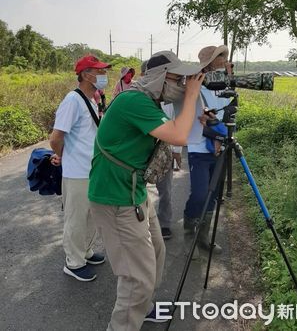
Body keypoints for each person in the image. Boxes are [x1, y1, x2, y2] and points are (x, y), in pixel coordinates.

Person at [88, 50, 203, 331]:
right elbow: (178, 135)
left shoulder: (148, 101)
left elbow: (177, 129)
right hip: (116, 198)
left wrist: (195, 104)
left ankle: (143, 306)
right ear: (161, 78)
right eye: (179, 79)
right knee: (136, 276)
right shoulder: (133, 100)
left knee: (156, 252)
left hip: (134, 193)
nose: (184, 84)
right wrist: (191, 97)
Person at [49, 55, 111, 282]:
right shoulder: (72, 100)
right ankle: (73, 262)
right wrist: (63, 157)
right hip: (77, 172)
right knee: (75, 219)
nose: (104, 75)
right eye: (100, 71)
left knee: (91, 216)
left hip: (92, 169)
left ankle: (85, 251)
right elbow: (56, 138)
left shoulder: (92, 100)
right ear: (86, 74)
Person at [183, 45, 230, 259]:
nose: (225, 61)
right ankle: (189, 230)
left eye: (224, 57)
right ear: (209, 63)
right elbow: (192, 120)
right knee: (200, 193)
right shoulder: (196, 87)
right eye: (221, 58)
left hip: (218, 150)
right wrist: (211, 123)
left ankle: (203, 237)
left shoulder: (224, 87)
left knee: (213, 196)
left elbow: (229, 114)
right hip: (198, 149)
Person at [140, 60, 181, 240]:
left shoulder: (169, 98)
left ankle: (164, 224)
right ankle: (143, 223)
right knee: (140, 191)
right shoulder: (137, 99)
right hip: (143, 153)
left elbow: (176, 124)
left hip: (164, 151)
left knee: (165, 190)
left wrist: (177, 151)